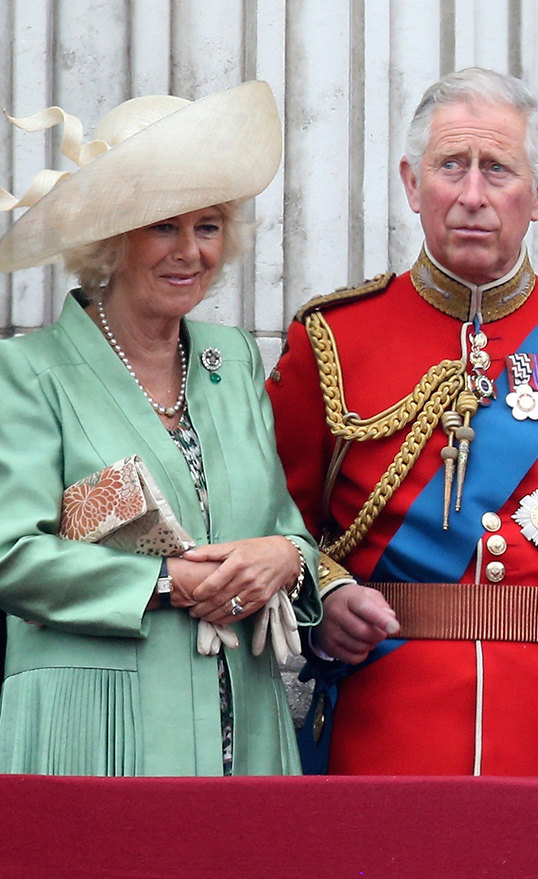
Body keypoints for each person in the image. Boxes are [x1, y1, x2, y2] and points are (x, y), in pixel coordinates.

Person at [267, 68, 538, 777]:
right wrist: (328, 599)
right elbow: (269, 520)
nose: (472, 194)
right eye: (451, 166)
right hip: (383, 731)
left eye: (497, 169)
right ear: (413, 184)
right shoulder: (333, 340)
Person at [0, 81, 320, 776]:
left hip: (244, 720)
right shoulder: (27, 371)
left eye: (206, 226)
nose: (190, 251)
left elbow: (286, 525)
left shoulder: (231, 359)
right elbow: (12, 555)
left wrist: (287, 559)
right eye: (162, 225)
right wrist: (165, 583)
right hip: (96, 724)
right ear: (111, 238)